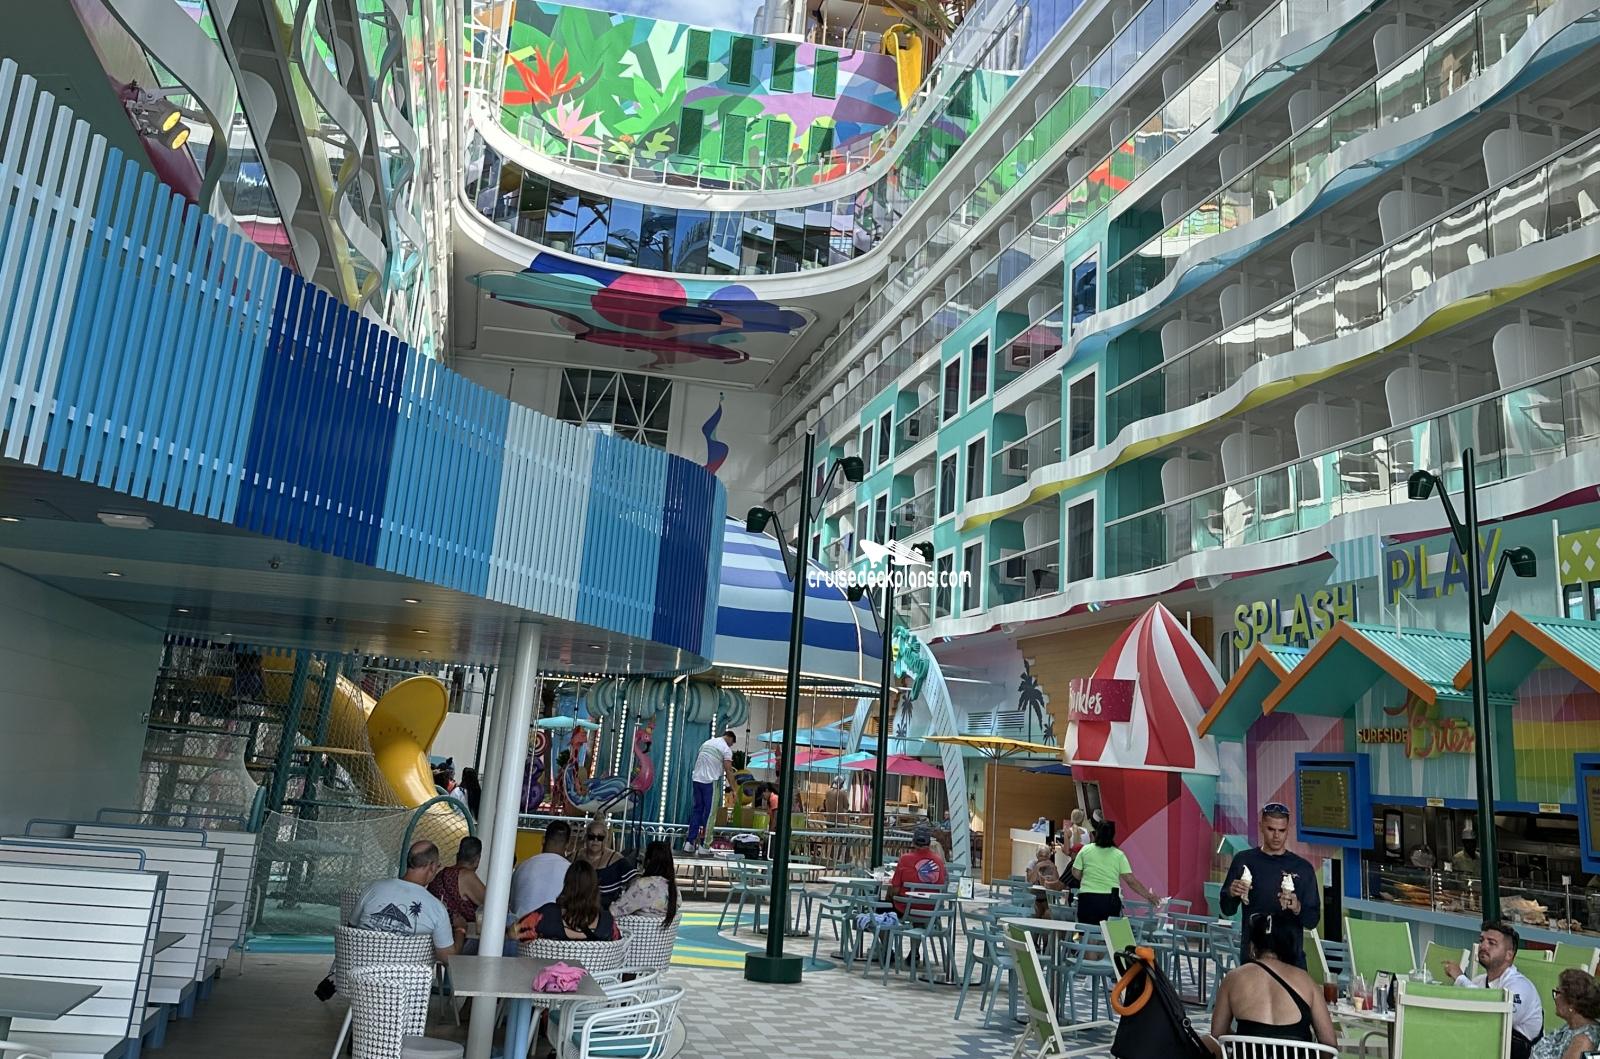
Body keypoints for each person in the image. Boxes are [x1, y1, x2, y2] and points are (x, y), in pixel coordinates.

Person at [1207, 911, 1337, 1054]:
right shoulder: (1306, 981)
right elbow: (1329, 1043)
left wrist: (1242, 1041)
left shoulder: (1233, 978)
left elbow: (1217, 1034)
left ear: (1252, 947)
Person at [1218, 802, 1321, 969]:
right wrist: (1231, 893)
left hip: (1291, 962)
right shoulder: (1244, 861)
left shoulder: (1302, 868)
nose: (1276, 836)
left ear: (1288, 830)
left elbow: (1312, 920)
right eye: (1271, 829)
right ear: (1261, 826)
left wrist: (1297, 907)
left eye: (1282, 830)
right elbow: (1227, 909)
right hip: (1253, 960)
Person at [1442, 921, 1545, 1059]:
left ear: (1509, 955)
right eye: (1481, 940)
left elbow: (1498, 1017)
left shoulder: (1520, 986)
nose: (1483, 946)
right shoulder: (1479, 981)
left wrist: (1461, 979)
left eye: (1491, 943)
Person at [350, 840, 464, 962]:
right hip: (406, 974)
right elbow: (447, 958)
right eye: (438, 866)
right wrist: (460, 930)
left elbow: (351, 928)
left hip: (358, 971)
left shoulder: (372, 888)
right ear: (431, 867)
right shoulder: (436, 908)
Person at [1071, 820, 1160, 926]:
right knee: (1109, 932)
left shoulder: (1085, 850)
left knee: (1086, 931)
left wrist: (1087, 877)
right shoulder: (1119, 855)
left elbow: (1075, 872)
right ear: (1113, 835)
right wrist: (1148, 896)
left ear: (1097, 833)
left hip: (1087, 898)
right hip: (1110, 900)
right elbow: (1130, 880)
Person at [514, 860, 620, 942]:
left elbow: (514, 932)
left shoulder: (548, 914)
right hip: (593, 965)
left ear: (567, 885)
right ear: (594, 889)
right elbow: (618, 947)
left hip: (548, 964)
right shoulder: (607, 921)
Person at [685, 729, 737, 854]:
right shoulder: (726, 749)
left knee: (697, 811)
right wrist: (734, 789)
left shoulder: (707, 742)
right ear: (730, 739)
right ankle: (705, 845)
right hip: (710, 782)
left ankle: (689, 843)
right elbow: (729, 770)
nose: (731, 746)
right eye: (732, 744)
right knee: (710, 814)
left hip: (696, 779)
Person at [1532, 968, 1600, 1059]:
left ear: (1572, 1003)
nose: (1556, 998)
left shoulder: (1584, 1041)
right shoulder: (1572, 1026)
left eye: (1558, 993)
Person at [510, 820, 571, 919]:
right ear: (568, 845)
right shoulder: (571, 871)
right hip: (553, 927)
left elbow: (511, 905)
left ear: (543, 840)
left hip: (518, 925)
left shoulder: (522, 867)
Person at [611, 840, 680, 926]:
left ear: (648, 861)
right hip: (662, 934)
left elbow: (615, 911)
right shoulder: (675, 890)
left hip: (631, 933)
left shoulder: (642, 886)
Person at [576, 818, 638, 907]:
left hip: (606, 909)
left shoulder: (617, 859)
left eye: (600, 837)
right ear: (586, 838)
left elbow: (635, 882)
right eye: (591, 836)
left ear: (606, 839)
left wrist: (622, 904)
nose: (595, 840)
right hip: (577, 908)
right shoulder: (575, 856)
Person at [888, 824, 947, 916]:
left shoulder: (905, 859)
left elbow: (895, 890)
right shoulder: (939, 861)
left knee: (887, 897)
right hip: (932, 910)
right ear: (929, 843)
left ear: (913, 842)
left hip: (906, 909)